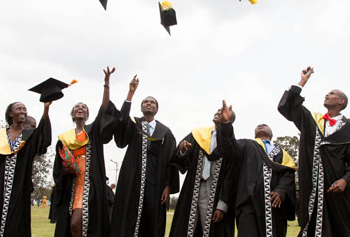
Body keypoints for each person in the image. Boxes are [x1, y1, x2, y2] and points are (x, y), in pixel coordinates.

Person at [278, 66, 350, 237]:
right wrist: (302, 82)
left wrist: (345, 180)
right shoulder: (313, 121)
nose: (327, 95)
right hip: (310, 188)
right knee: (309, 226)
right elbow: (288, 107)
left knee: (340, 228)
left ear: (341, 102)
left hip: (336, 190)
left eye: (332, 93)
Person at [53, 67, 120, 237]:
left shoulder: (93, 132)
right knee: (72, 223)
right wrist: (66, 170)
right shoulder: (65, 138)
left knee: (79, 221)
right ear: (72, 114)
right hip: (72, 183)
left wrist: (106, 84)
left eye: (83, 107)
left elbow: (104, 110)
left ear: (88, 114)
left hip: (90, 181)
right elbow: (57, 167)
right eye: (77, 107)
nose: (80, 108)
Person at [110, 75, 179, 237]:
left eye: (152, 102)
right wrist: (130, 94)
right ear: (141, 108)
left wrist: (168, 186)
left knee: (152, 221)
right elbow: (120, 133)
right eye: (145, 102)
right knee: (129, 217)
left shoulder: (165, 132)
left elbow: (171, 161)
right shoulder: (134, 124)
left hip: (156, 184)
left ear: (157, 109)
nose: (149, 103)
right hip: (132, 180)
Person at [0, 101, 52, 237]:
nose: (22, 111)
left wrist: (46, 110)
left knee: (17, 224)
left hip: (19, 189)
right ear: (10, 114)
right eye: (18, 109)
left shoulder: (29, 136)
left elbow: (43, 138)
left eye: (24, 109)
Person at [219, 101, 296, 237]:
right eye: (258, 126)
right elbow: (230, 147)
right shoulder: (247, 145)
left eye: (265, 125)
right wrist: (226, 125)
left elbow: (288, 175)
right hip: (248, 204)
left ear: (271, 134)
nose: (261, 125)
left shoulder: (282, 153)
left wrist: (281, 190)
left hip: (274, 206)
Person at [169, 105, 238, 237]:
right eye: (218, 110)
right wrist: (182, 150)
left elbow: (230, 177)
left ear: (230, 120)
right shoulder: (198, 135)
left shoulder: (231, 144)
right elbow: (181, 157)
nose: (218, 112)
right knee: (187, 228)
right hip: (194, 189)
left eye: (223, 112)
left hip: (216, 192)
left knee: (212, 230)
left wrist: (222, 206)